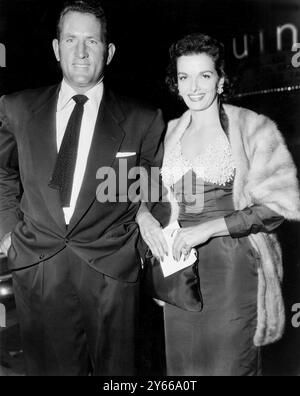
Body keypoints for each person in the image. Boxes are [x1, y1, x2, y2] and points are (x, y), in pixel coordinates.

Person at [0, 0, 167, 376]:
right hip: (39, 268)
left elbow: (149, 189)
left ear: (108, 52)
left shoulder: (143, 119)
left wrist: (133, 245)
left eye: (91, 42)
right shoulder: (17, 108)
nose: (80, 51)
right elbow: (0, 171)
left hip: (111, 273)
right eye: (71, 39)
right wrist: (7, 230)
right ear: (56, 48)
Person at [140, 33, 300, 376]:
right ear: (175, 82)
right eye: (184, 77)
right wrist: (144, 219)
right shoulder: (166, 133)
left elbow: (280, 205)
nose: (194, 87)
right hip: (179, 271)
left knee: (230, 366)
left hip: (233, 267)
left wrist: (208, 229)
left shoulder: (253, 128)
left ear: (222, 79)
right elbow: (143, 196)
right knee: (183, 370)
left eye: (205, 75)